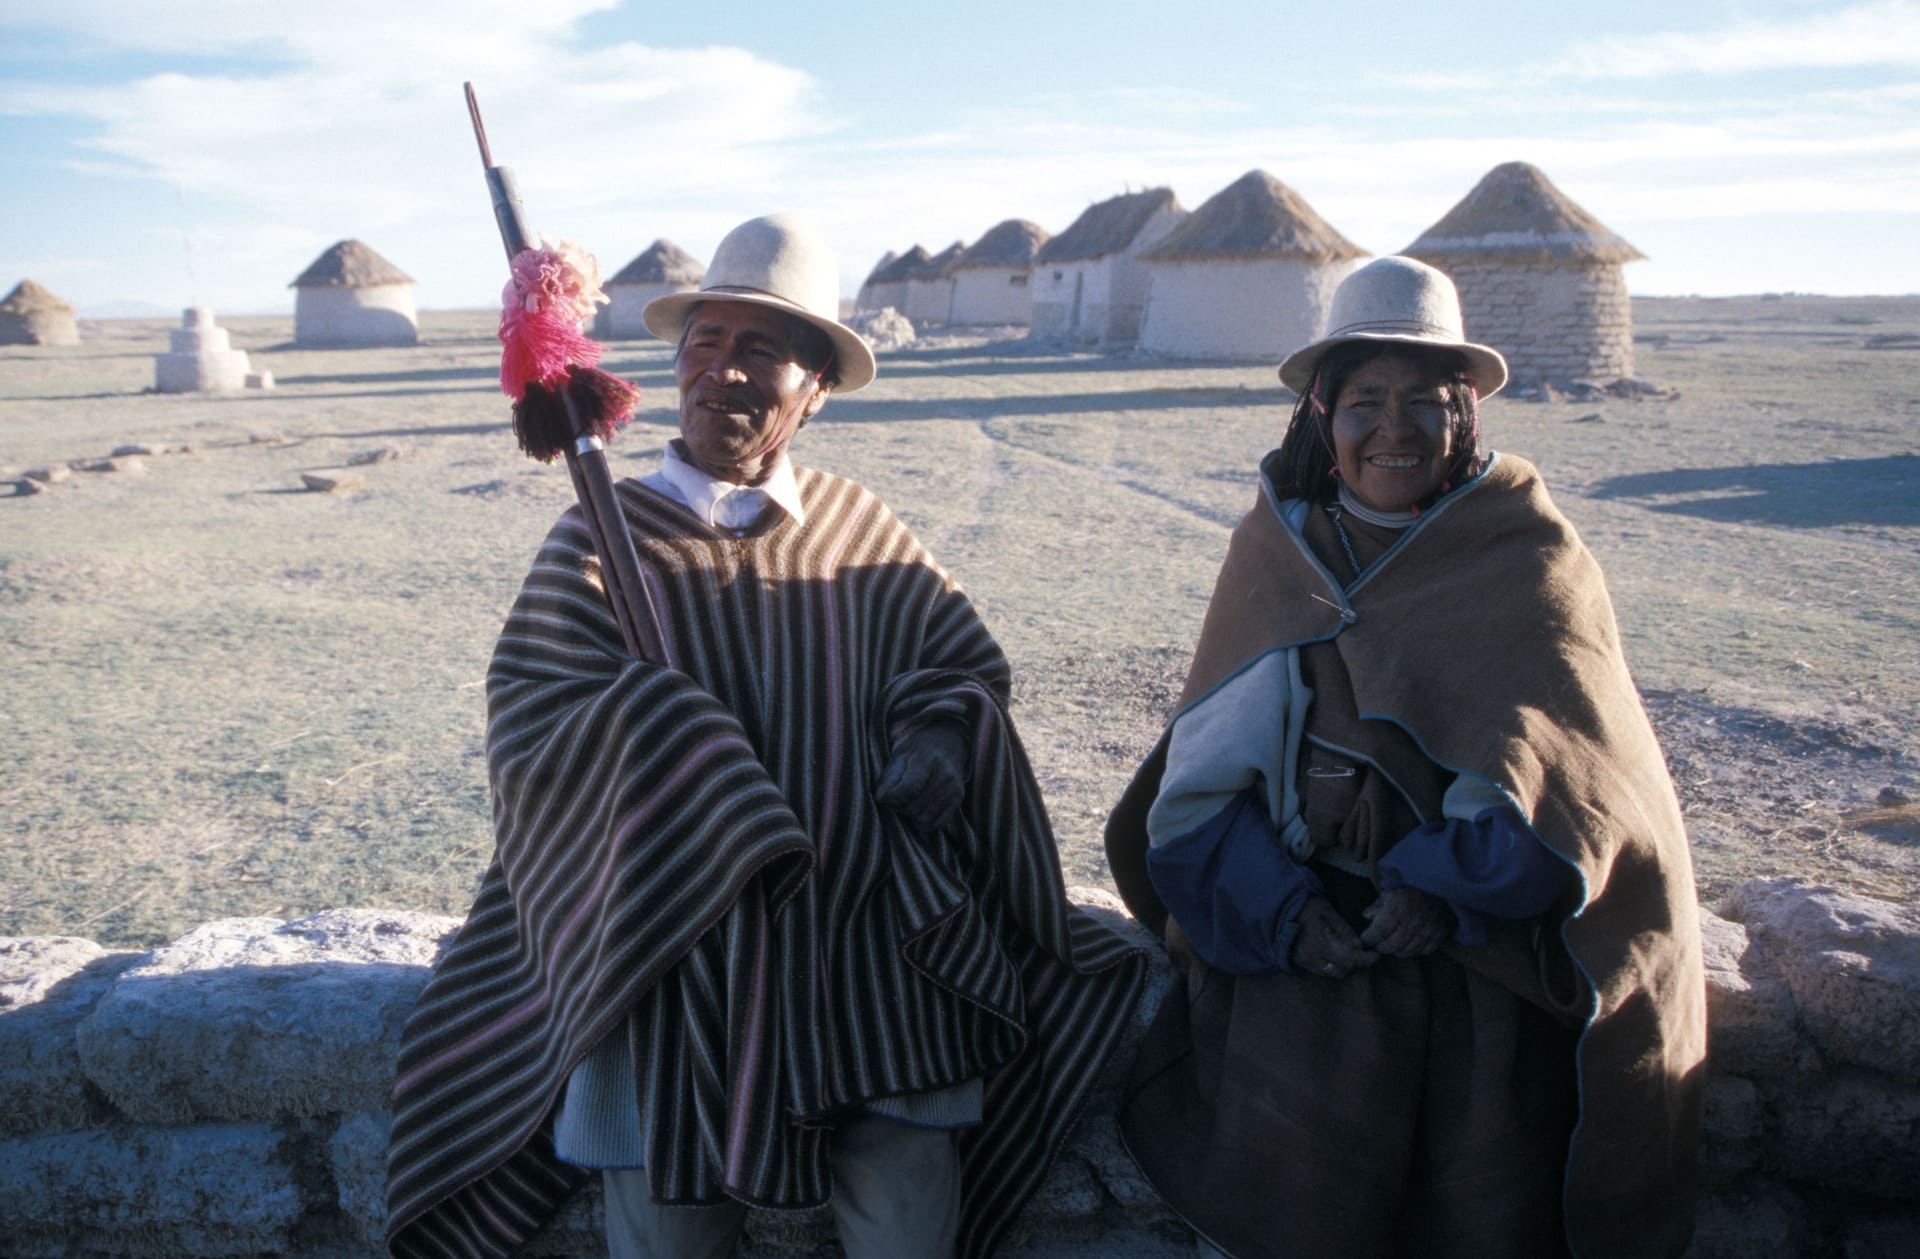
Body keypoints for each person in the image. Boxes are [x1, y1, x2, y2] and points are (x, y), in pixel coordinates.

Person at [385, 215, 1145, 1259]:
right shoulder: (601, 539)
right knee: (666, 1222)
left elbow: (962, 665)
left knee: (909, 1210)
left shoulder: (860, 529)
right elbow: (532, 724)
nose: (724, 373)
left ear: (814, 387)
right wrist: (665, 734)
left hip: (868, 942)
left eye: (759, 351)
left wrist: (934, 733)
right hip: (676, 948)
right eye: (705, 344)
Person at [1104, 256, 1706, 1259]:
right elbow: (1201, 787)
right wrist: (1287, 915)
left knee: (1478, 1221)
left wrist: (1442, 886)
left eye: (1424, 402)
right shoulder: (1277, 556)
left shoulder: (1524, 557)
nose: (1394, 428)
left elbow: (1577, 782)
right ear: (1322, 416)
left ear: (1462, 416)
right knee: (1296, 1218)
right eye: (1365, 400)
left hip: (1477, 978)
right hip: (1302, 968)